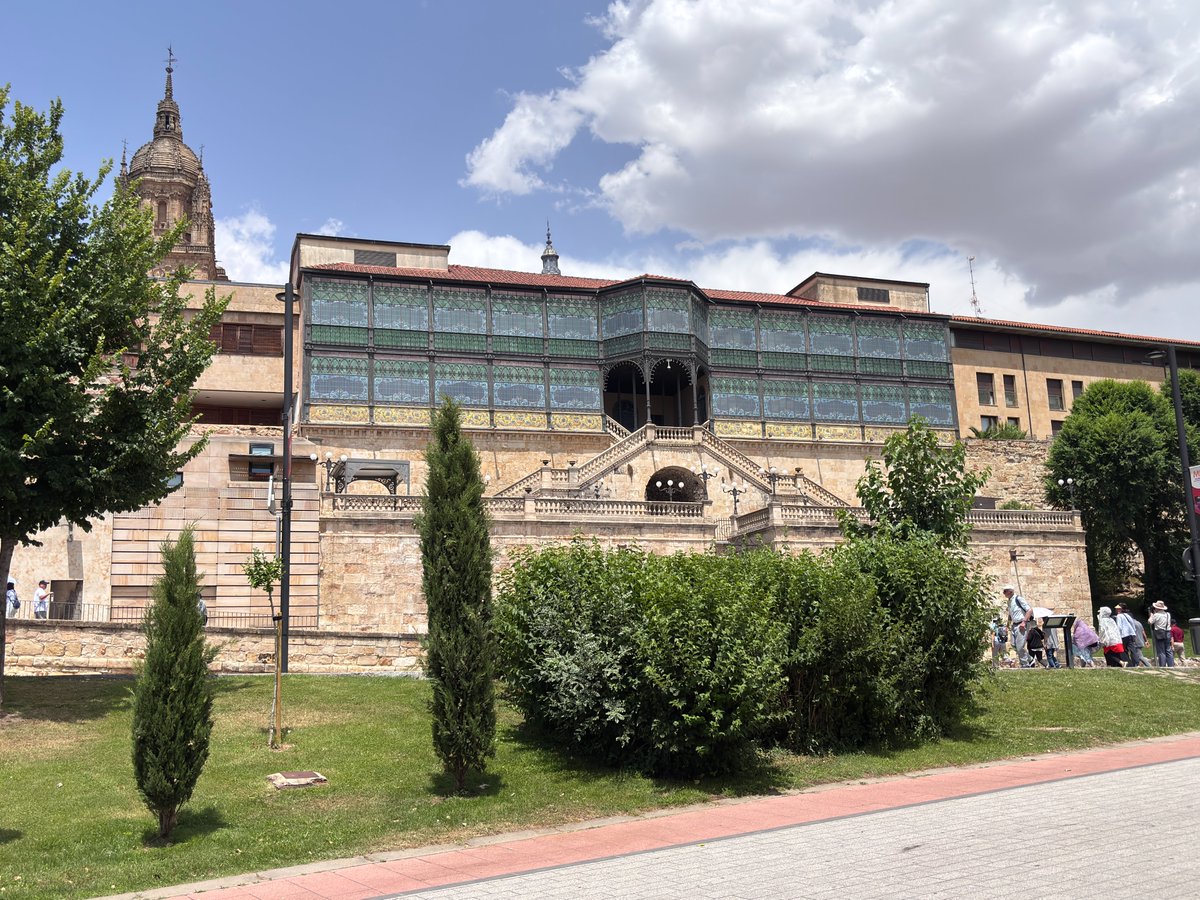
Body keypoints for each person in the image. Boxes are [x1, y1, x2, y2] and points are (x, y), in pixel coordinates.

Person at [1004, 586, 1033, 667]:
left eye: (1005, 591)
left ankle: (1025, 664)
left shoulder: (1018, 599)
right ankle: (1030, 659)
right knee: (1013, 645)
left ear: (1010, 591)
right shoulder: (1009, 601)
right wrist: (1007, 626)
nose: (1004, 593)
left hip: (1021, 624)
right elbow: (1010, 615)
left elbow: (1029, 610)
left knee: (1020, 646)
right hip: (1014, 625)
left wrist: (1024, 622)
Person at [1149, 600, 1173, 667]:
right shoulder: (1168, 614)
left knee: (1161, 651)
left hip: (1159, 632)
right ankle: (1171, 665)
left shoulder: (1156, 615)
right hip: (1168, 632)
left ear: (1157, 608)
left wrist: (1151, 615)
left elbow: (1150, 622)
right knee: (1168, 650)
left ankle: (1162, 665)